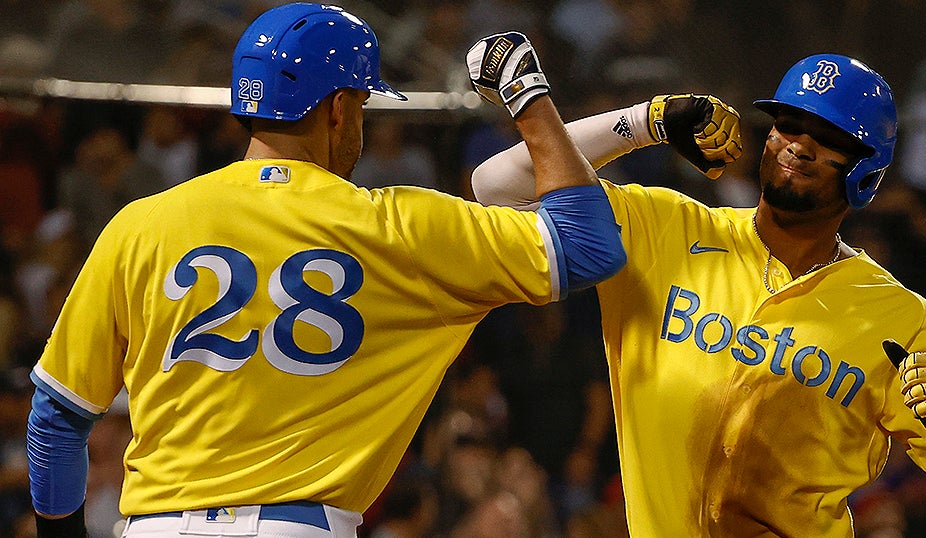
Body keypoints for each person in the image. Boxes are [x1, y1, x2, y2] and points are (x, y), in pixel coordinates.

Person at [25, 4, 626, 538]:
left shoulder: (140, 226)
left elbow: (55, 419)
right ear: (338, 109)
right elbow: (588, 244)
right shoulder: (396, 229)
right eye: (362, 103)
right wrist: (529, 95)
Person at [472, 53, 926, 536]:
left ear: (865, 171)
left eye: (825, 135)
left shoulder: (901, 317)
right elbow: (496, 185)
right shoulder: (670, 229)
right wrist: (644, 123)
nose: (797, 143)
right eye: (787, 124)